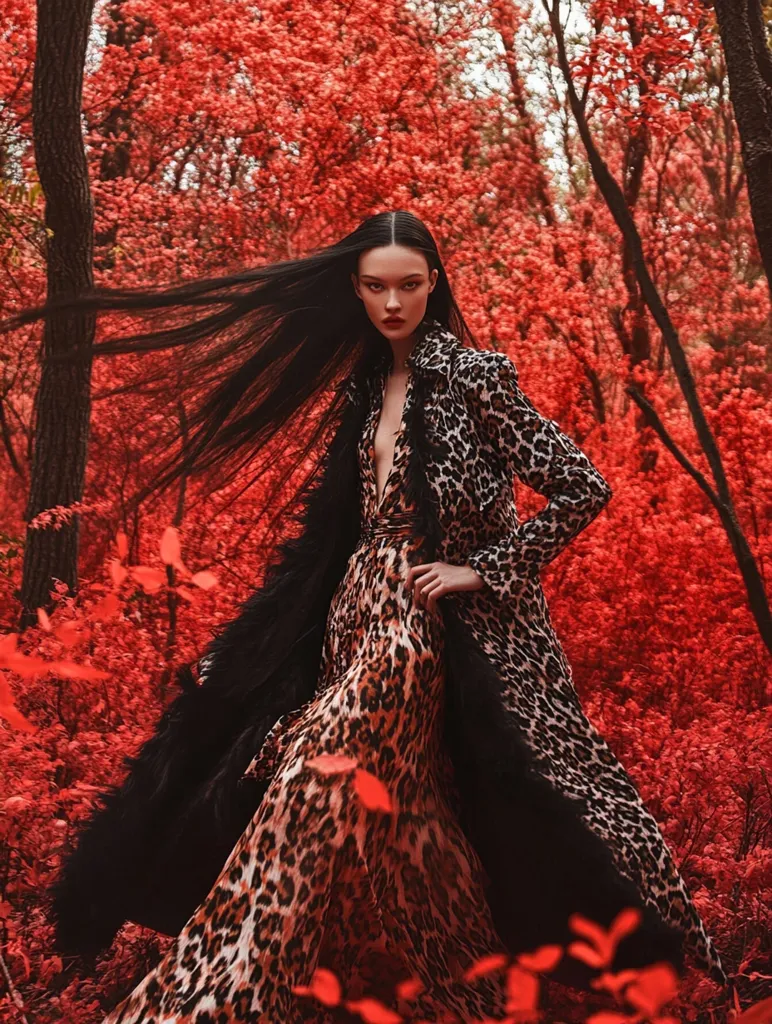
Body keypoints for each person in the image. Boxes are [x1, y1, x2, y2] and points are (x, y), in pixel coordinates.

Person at [5, 210, 728, 1020]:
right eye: (377, 287)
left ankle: (204, 1001)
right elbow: (334, 535)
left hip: (427, 628)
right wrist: (257, 649)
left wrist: (480, 570)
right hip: (353, 615)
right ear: (354, 288)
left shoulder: (476, 378)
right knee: (414, 814)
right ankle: (460, 990)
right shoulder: (362, 386)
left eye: (410, 286)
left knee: (316, 776)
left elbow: (582, 487)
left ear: (435, 284)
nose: (393, 304)